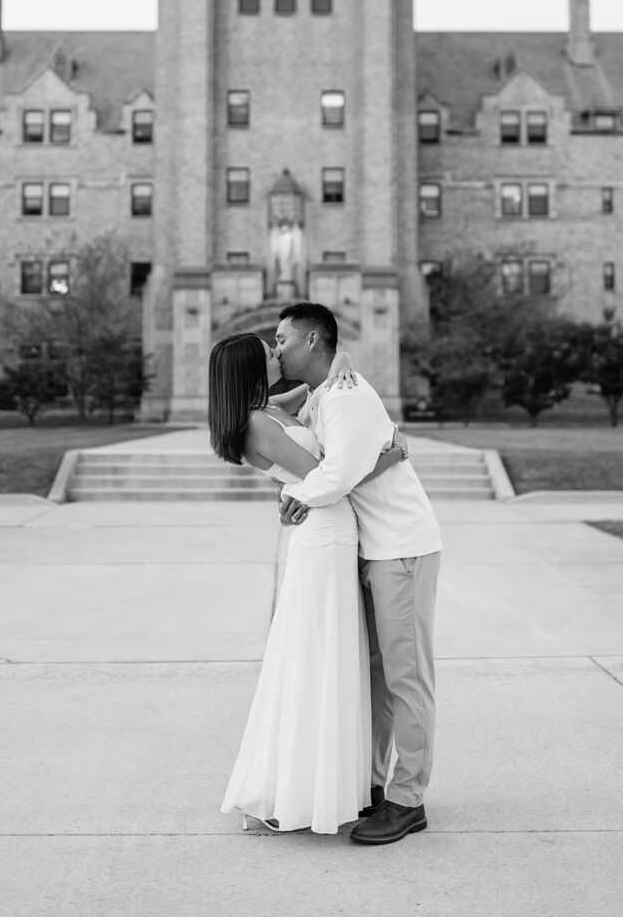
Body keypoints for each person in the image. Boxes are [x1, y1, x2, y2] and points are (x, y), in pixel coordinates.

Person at [209, 332, 407, 834]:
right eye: (270, 353)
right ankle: (303, 789)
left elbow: (323, 379)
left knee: (333, 654)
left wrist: (342, 357)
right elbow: (329, 477)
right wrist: (392, 453)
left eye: (278, 346)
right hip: (323, 535)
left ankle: (336, 782)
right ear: (252, 369)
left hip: (333, 530)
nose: (279, 354)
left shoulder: (271, 405)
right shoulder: (256, 423)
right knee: (319, 656)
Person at [275, 302, 443, 846]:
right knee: (374, 678)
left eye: (283, 340)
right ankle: (373, 786)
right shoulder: (322, 393)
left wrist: (297, 493)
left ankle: (408, 800)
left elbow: (338, 473)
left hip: (401, 547)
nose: (277, 349)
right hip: (367, 551)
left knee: (405, 676)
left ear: (313, 341)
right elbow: (278, 407)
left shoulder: (344, 396)